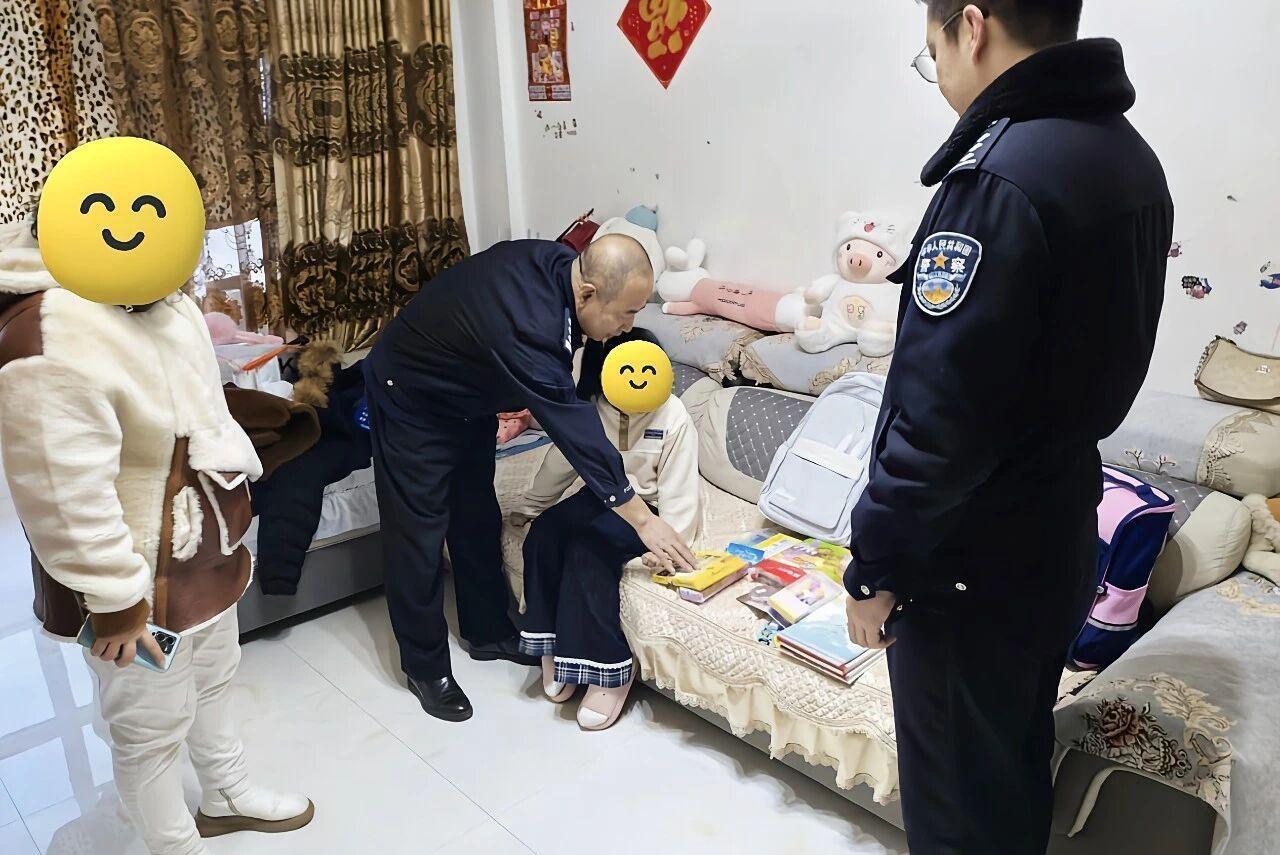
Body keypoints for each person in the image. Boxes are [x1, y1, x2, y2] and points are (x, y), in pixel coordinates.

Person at [843, 4, 1172, 853]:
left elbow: (938, 420)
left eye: (933, 53)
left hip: (969, 562)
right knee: (1007, 774)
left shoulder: (996, 180)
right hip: (1056, 531)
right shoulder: (1130, 158)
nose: (939, 76)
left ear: (973, 27)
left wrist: (873, 564)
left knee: (959, 810)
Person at [0, 138, 313, 855]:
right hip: (132, 577)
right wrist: (115, 598)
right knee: (148, 723)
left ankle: (226, 791)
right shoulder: (49, 333)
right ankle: (171, 843)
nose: (135, 226)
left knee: (215, 677)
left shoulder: (158, 297)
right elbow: (60, 490)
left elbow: (201, 411)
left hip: (203, 549)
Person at [364, 235, 698, 722]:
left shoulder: (563, 267)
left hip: (467, 397)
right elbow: (575, 431)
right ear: (588, 293)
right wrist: (643, 520)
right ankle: (424, 667)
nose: (629, 328)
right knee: (418, 533)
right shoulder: (530, 323)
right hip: (411, 396)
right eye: (626, 314)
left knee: (475, 511)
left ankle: (487, 632)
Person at [509, 330, 699, 731]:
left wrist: (670, 545)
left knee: (588, 550)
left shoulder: (673, 413)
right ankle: (552, 644)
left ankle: (608, 669)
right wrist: (530, 508)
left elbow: (681, 487)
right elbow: (561, 463)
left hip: (648, 509)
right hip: (598, 497)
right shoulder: (591, 409)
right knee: (544, 534)